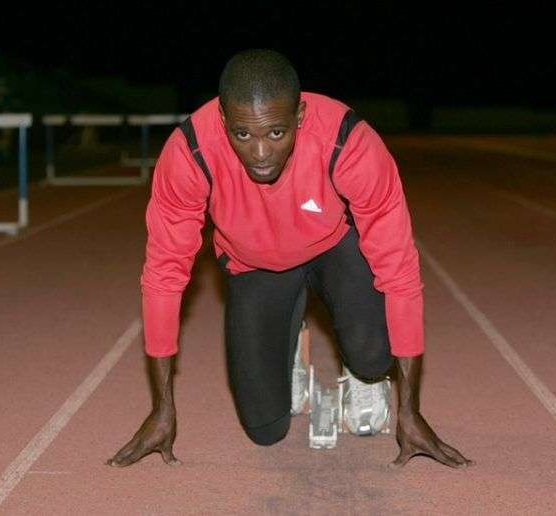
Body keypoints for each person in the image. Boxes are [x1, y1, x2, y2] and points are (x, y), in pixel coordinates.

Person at [107, 49, 471, 469]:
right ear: (223, 120)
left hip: (334, 249)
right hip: (255, 263)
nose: (261, 152)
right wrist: (162, 407)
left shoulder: (348, 141)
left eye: (276, 133)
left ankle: (362, 374)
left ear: (300, 116)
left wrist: (409, 408)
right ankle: (290, 334)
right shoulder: (190, 152)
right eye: (243, 135)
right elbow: (163, 276)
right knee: (265, 430)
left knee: (375, 355)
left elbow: (401, 271)